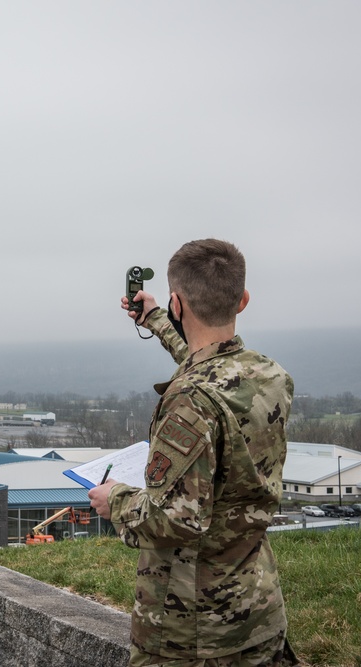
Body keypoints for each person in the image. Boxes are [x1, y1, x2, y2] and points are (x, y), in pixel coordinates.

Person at [88, 239, 297, 667]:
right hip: (257, 612)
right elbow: (207, 362)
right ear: (242, 300)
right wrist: (156, 320)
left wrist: (116, 502)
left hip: (190, 633)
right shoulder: (268, 376)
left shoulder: (190, 401)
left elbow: (176, 519)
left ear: (178, 302)